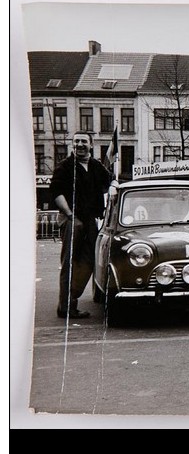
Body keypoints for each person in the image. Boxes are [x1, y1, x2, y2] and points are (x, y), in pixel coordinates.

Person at [50, 131, 116, 319]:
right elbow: (56, 192)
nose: (80, 144)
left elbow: (110, 181)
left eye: (84, 141)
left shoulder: (96, 166)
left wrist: (113, 185)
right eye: (76, 141)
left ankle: (73, 300)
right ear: (73, 145)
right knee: (70, 262)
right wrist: (71, 216)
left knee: (90, 260)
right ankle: (66, 307)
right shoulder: (65, 166)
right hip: (73, 220)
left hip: (90, 221)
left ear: (91, 145)